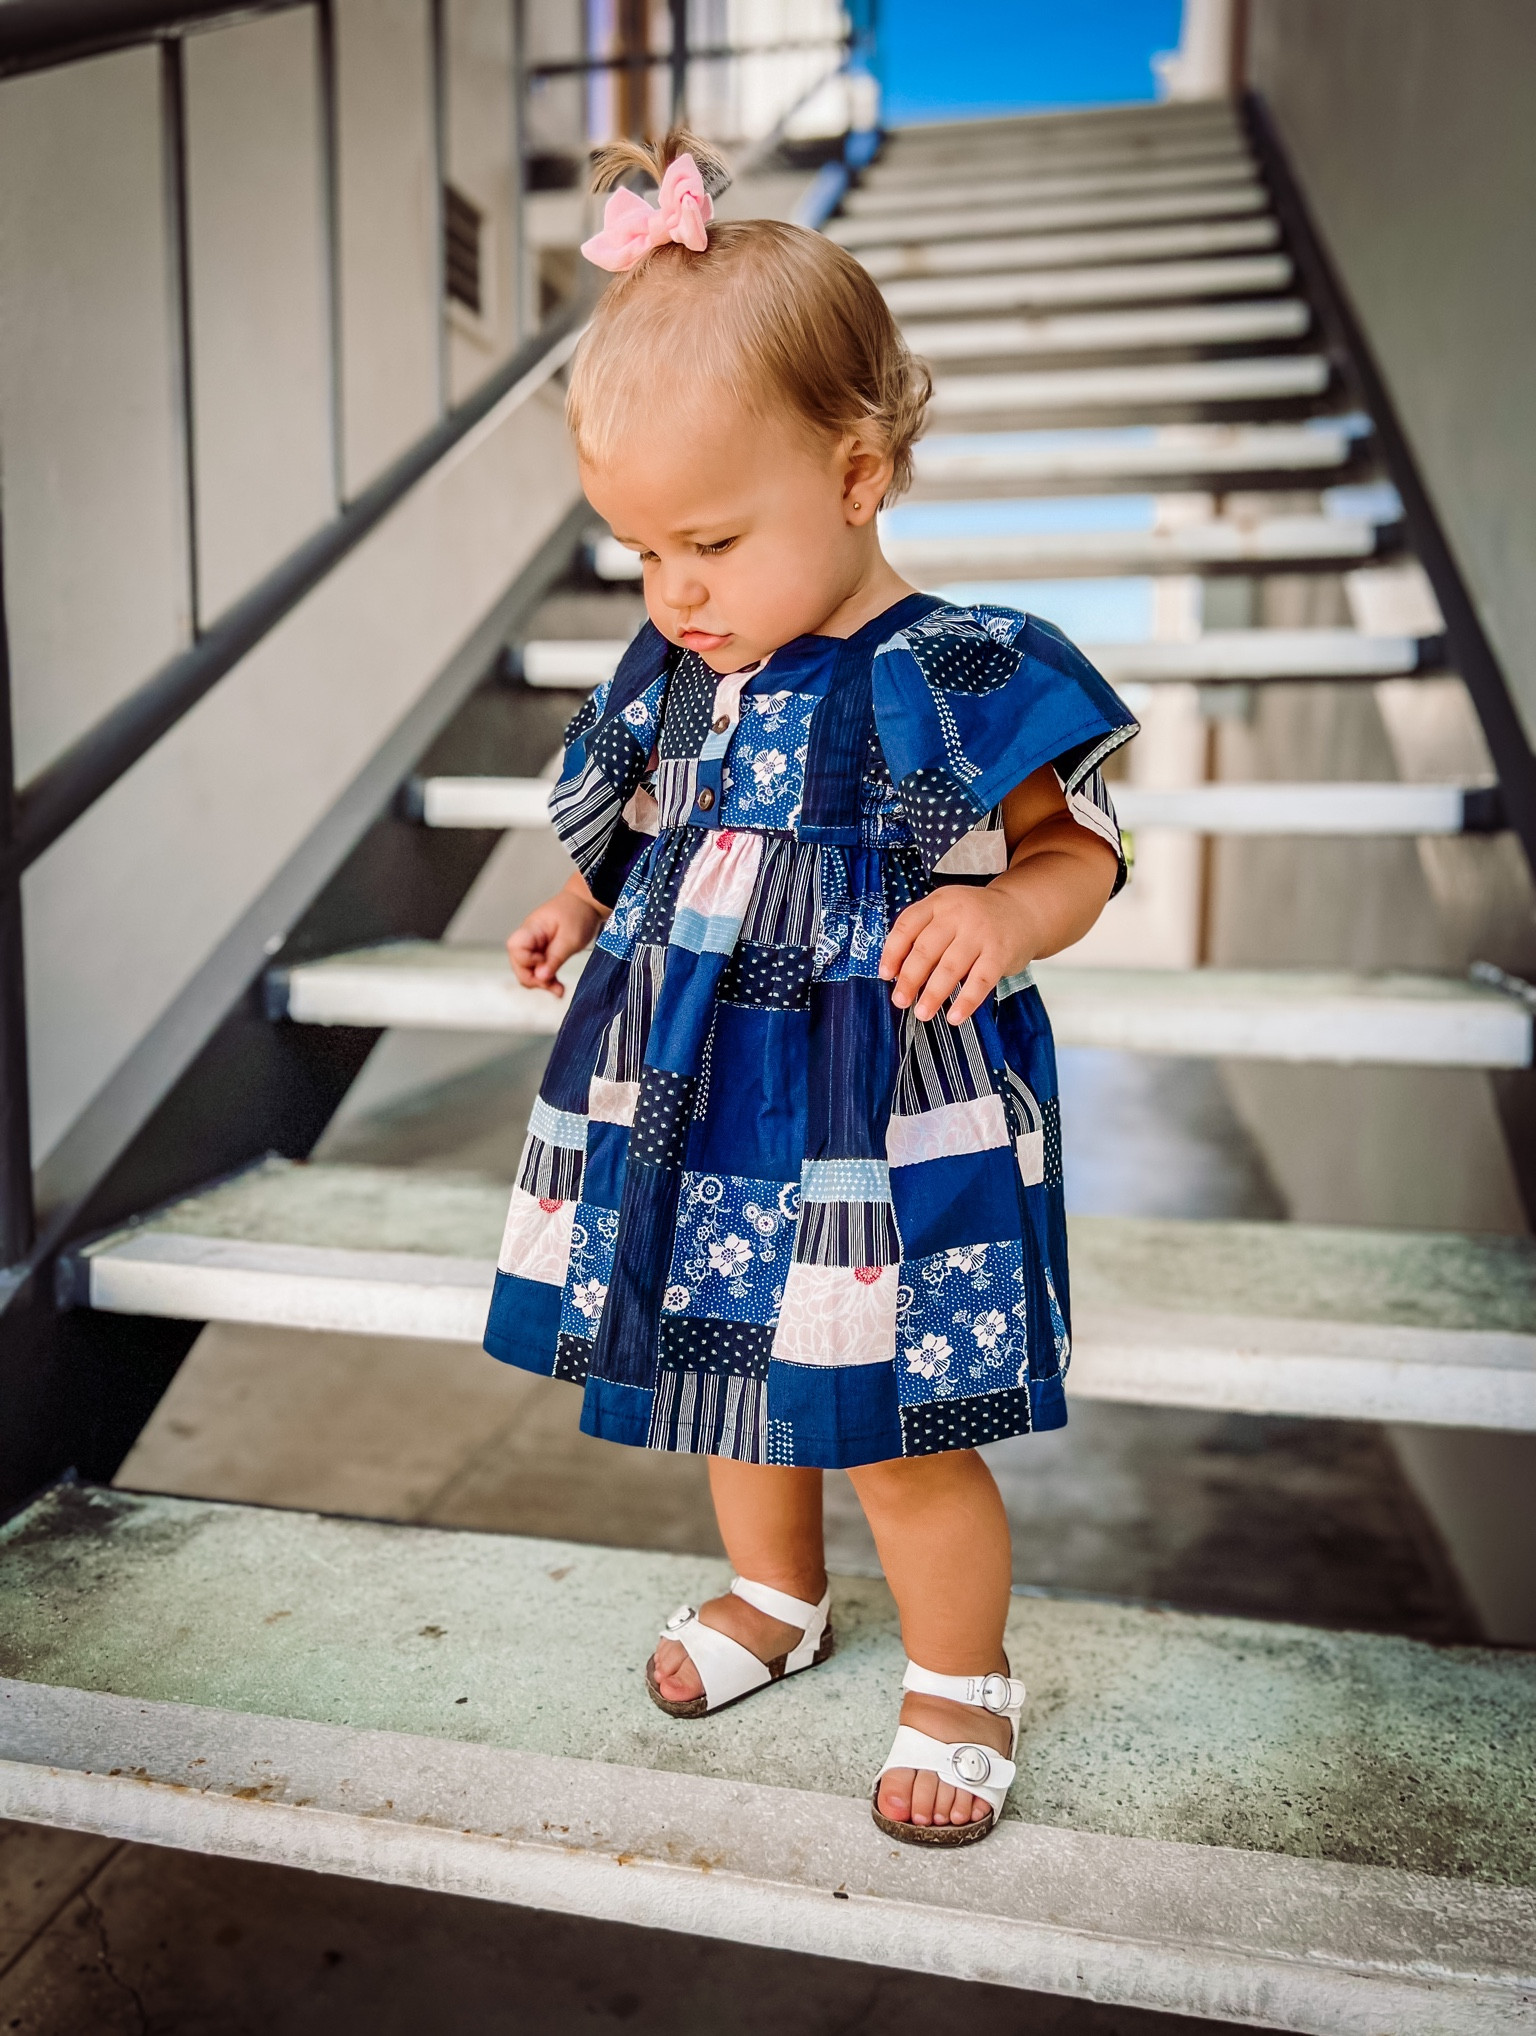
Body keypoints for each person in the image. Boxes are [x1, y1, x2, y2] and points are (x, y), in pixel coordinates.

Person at [486, 133, 1134, 1846]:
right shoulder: (687, 665)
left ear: (859, 475)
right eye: (638, 552)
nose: (675, 592)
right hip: (701, 1080)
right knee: (721, 1352)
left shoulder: (946, 672)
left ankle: (958, 1678)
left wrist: (1006, 922)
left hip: (876, 1092)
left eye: (707, 538)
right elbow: (651, 821)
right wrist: (576, 896)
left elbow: (1080, 854)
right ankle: (775, 1596)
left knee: (895, 1405)